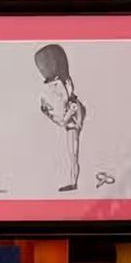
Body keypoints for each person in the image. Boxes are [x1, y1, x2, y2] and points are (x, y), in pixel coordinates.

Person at [35, 41, 87, 191]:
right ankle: (73, 182)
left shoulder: (74, 105)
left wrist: (49, 114)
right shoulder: (71, 103)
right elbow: (63, 120)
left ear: (68, 84)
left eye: (55, 85)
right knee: (72, 156)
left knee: (73, 156)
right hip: (71, 124)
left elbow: (64, 122)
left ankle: (73, 183)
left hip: (72, 126)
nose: (54, 89)